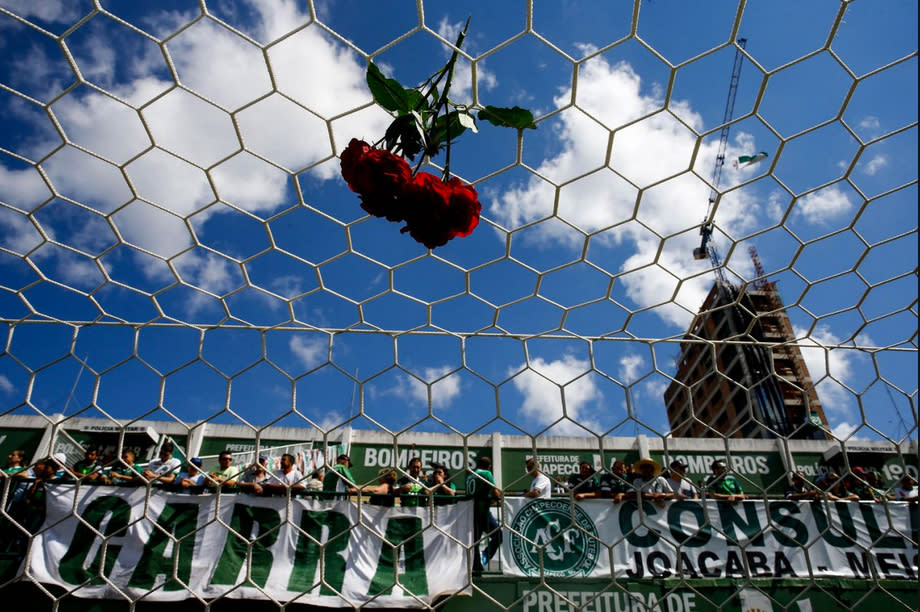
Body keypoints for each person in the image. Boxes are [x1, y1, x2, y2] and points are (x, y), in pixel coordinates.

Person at [467, 456, 501, 576]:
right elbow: (495, 491)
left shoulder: (470, 475)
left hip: (471, 511)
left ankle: (476, 567)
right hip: (483, 511)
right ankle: (484, 557)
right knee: (498, 535)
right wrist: (497, 499)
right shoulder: (487, 473)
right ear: (489, 467)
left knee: (475, 541)